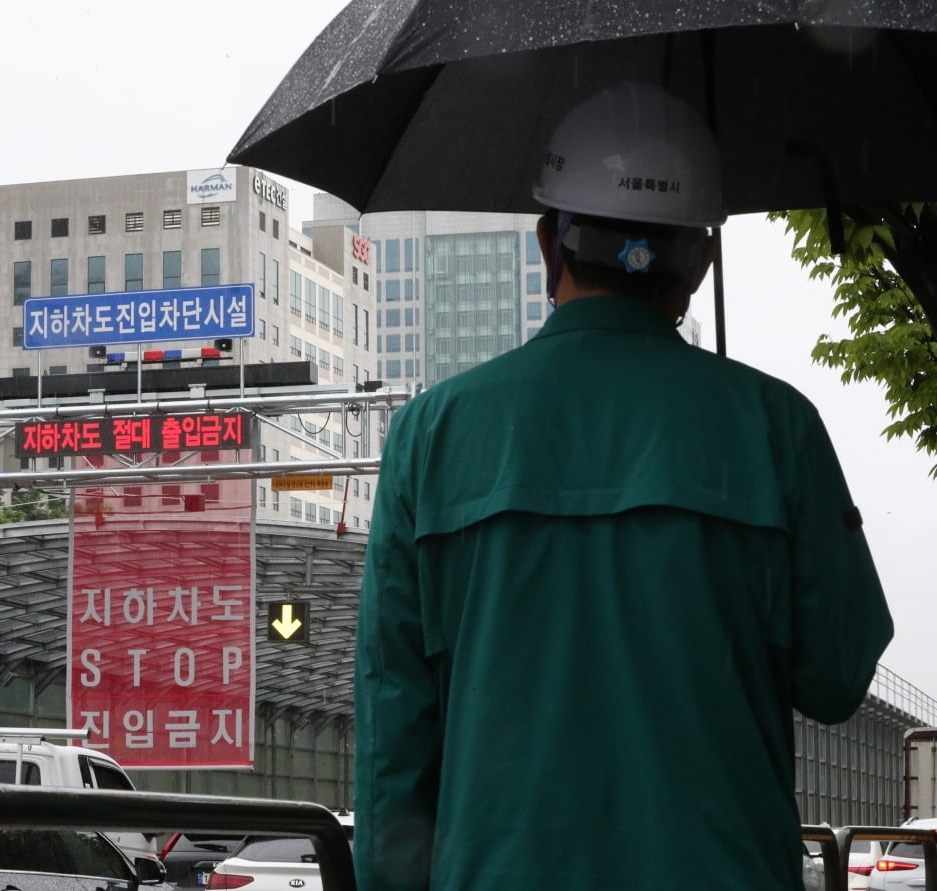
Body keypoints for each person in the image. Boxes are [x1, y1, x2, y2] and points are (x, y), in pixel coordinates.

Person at [353, 81, 893, 891]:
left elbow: (393, 731)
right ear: (700, 263)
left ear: (549, 244)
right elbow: (839, 674)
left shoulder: (429, 436)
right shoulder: (778, 426)